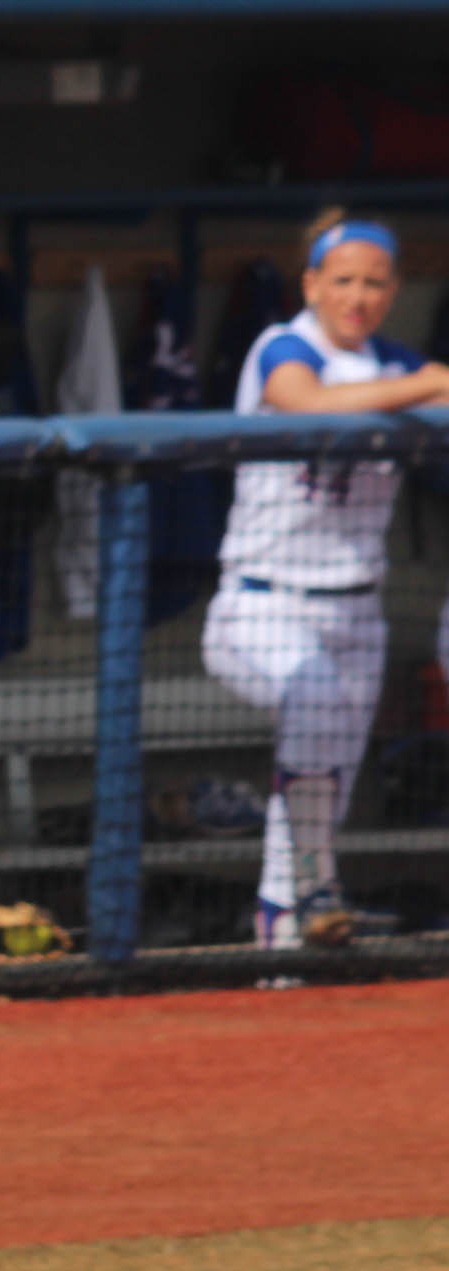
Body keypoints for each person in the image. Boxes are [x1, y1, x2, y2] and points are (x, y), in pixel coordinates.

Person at [207, 210, 449, 951]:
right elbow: (303, 400)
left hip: (358, 615)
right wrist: (427, 385)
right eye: (343, 280)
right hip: (261, 607)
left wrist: (424, 384)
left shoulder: (396, 364)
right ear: (311, 284)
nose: (358, 297)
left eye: (375, 283)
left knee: (325, 789)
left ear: (395, 290)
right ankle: (303, 900)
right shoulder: (282, 346)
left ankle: (287, 938)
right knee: (312, 700)